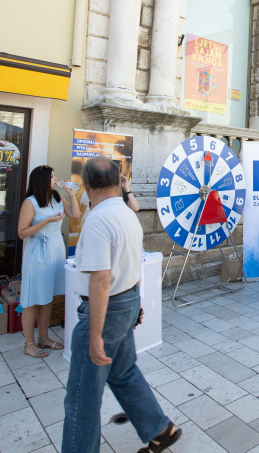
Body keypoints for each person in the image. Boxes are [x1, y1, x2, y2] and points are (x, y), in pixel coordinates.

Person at [62, 157, 182, 453]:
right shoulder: (128, 214)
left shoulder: (97, 219)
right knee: (123, 372)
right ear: (118, 182)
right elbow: (132, 262)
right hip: (126, 300)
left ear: (85, 185)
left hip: (106, 310)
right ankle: (160, 428)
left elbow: (101, 279)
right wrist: (136, 301)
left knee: (82, 397)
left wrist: (94, 335)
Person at [17, 165, 81, 358]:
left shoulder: (56, 197)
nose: (55, 178)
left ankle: (43, 337)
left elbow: (75, 214)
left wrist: (71, 194)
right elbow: (22, 233)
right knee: (32, 299)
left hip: (55, 249)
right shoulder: (30, 202)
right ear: (42, 180)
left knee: (48, 296)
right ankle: (29, 344)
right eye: (52, 176)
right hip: (38, 252)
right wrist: (46, 221)